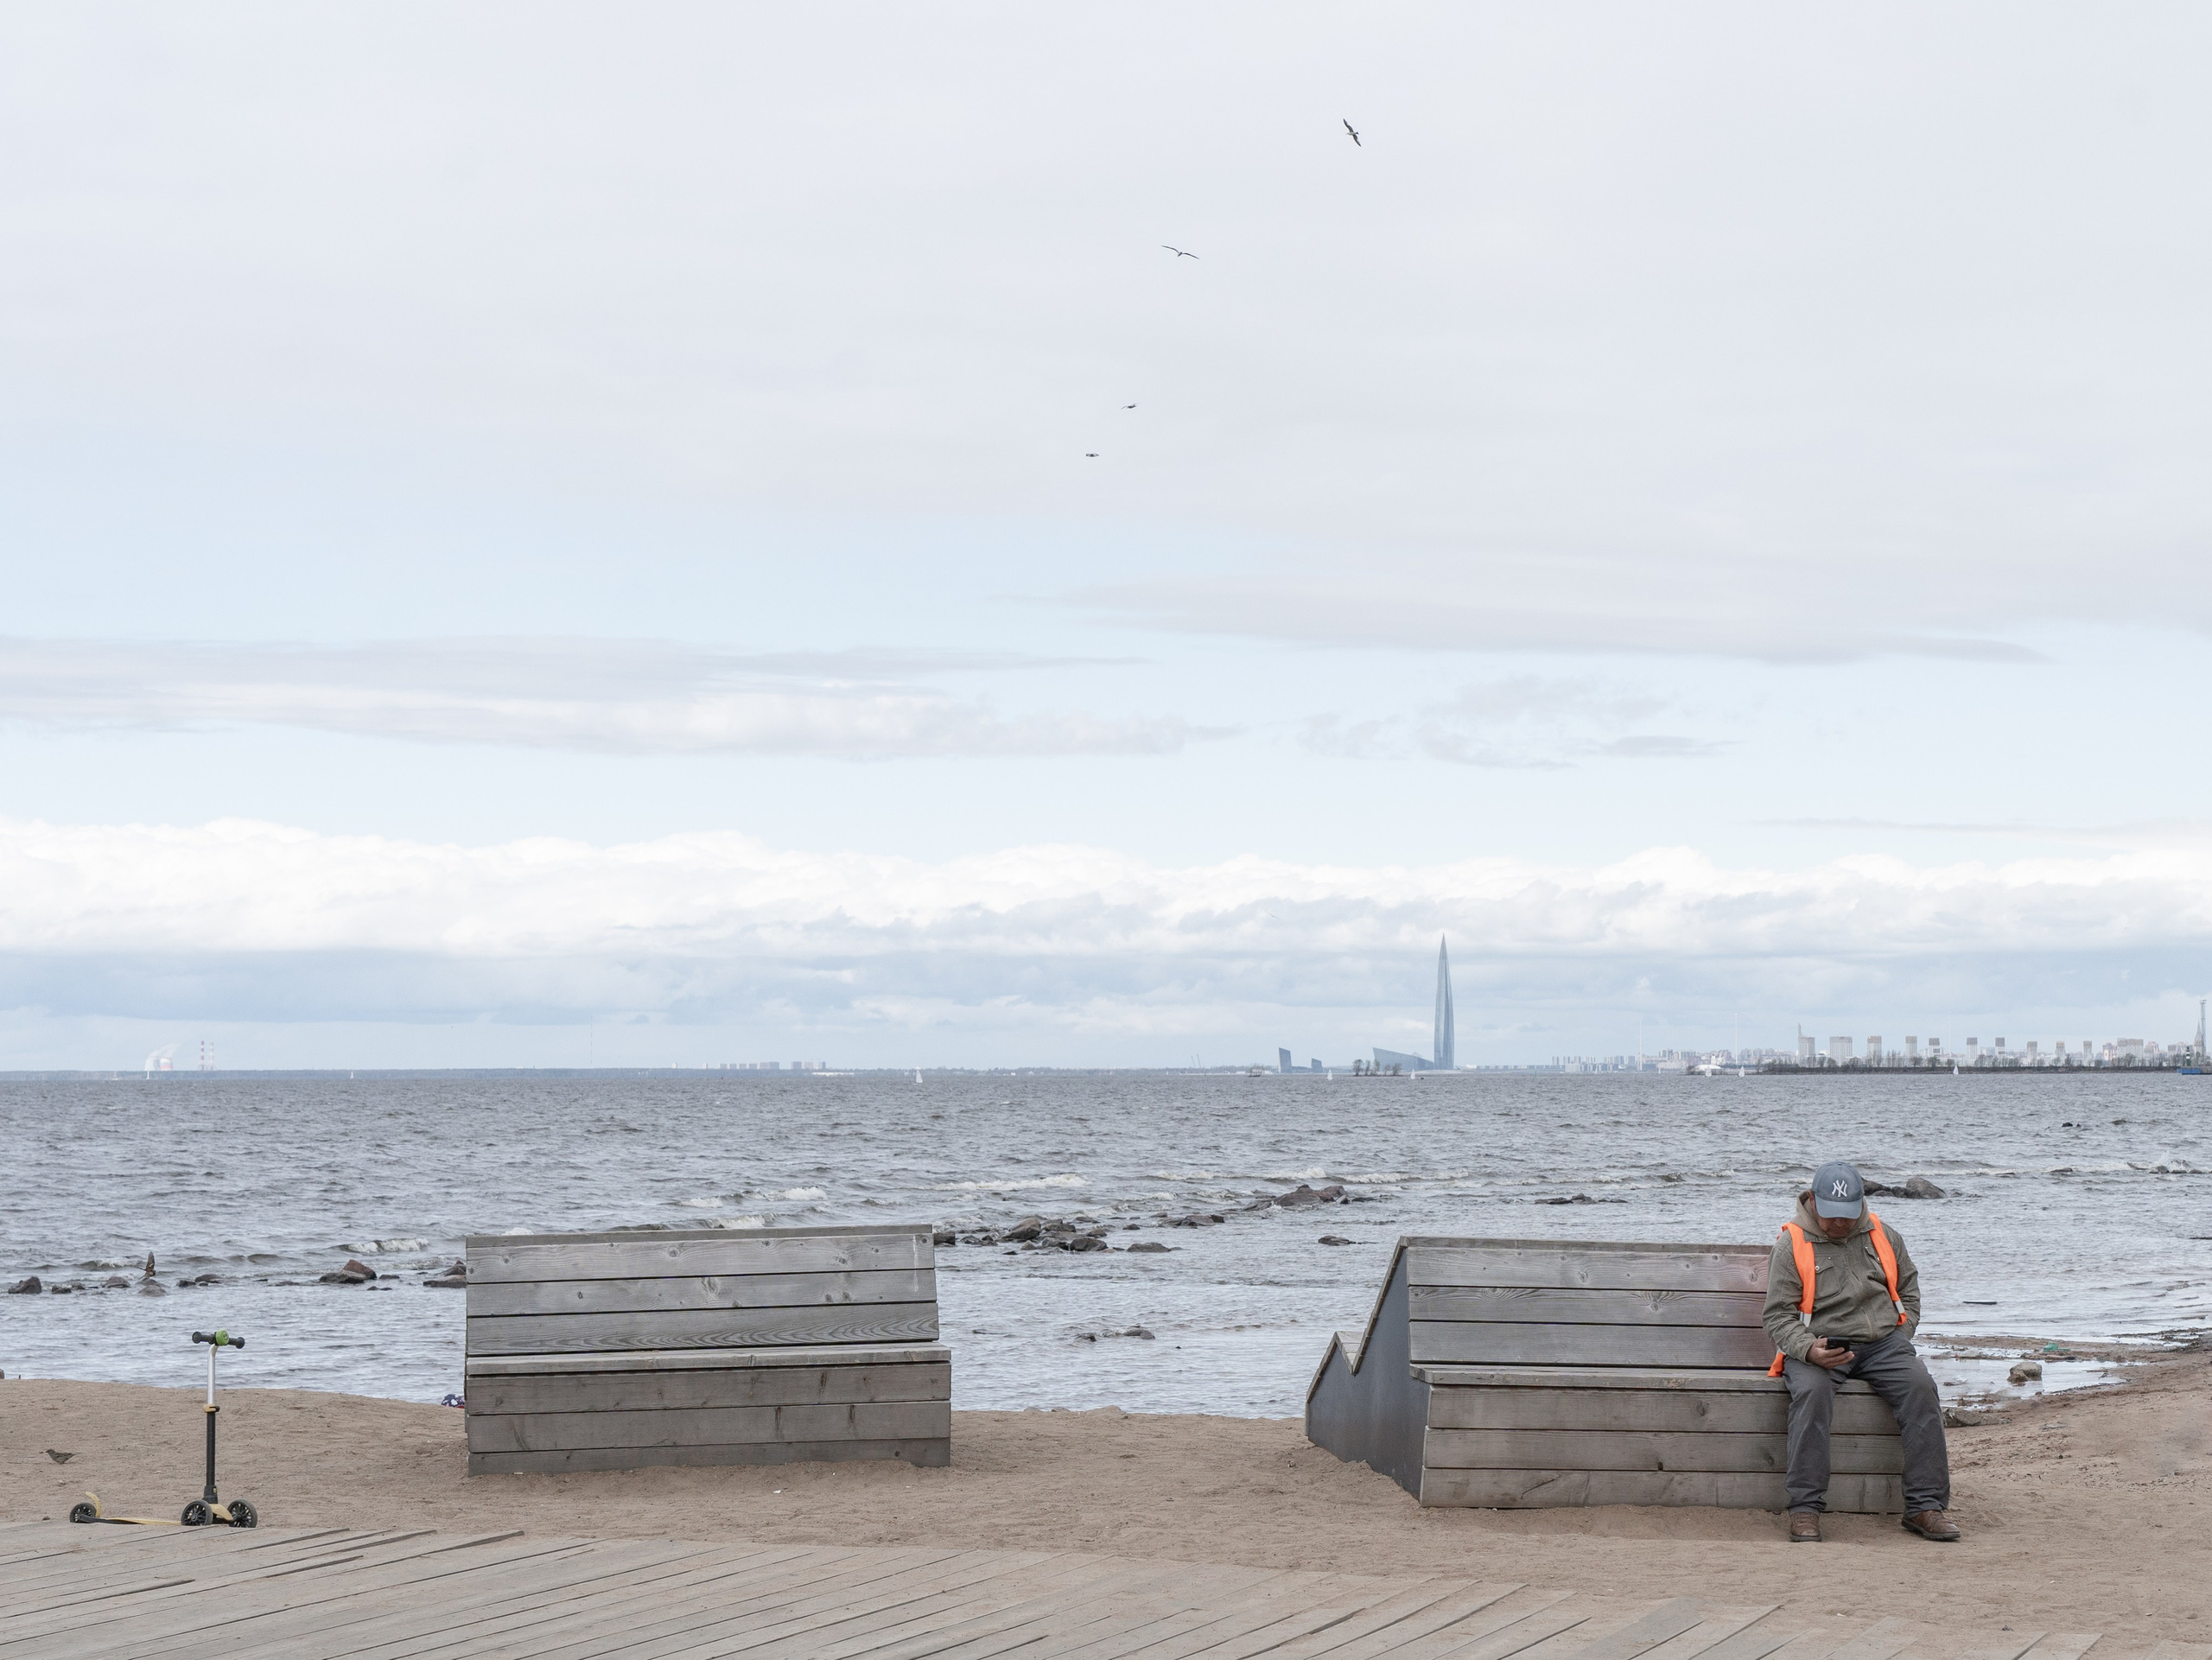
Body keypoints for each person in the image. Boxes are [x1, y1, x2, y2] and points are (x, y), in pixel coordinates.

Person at [1762, 1160, 1958, 1543]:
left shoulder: (1884, 1235)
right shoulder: (1790, 1245)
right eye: (1831, 1215)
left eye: (1847, 1216)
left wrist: (1902, 1338)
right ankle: (1805, 1510)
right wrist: (1808, 1349)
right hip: (1818, 1348)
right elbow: (1777, 1317)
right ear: (1813, 1203)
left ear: (1861, 1204)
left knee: (1922, 1389)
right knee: (1812, 1396)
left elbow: (1910, 1291)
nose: (1839, 1224)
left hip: (1885, 1345)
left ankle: (1924, 1508)